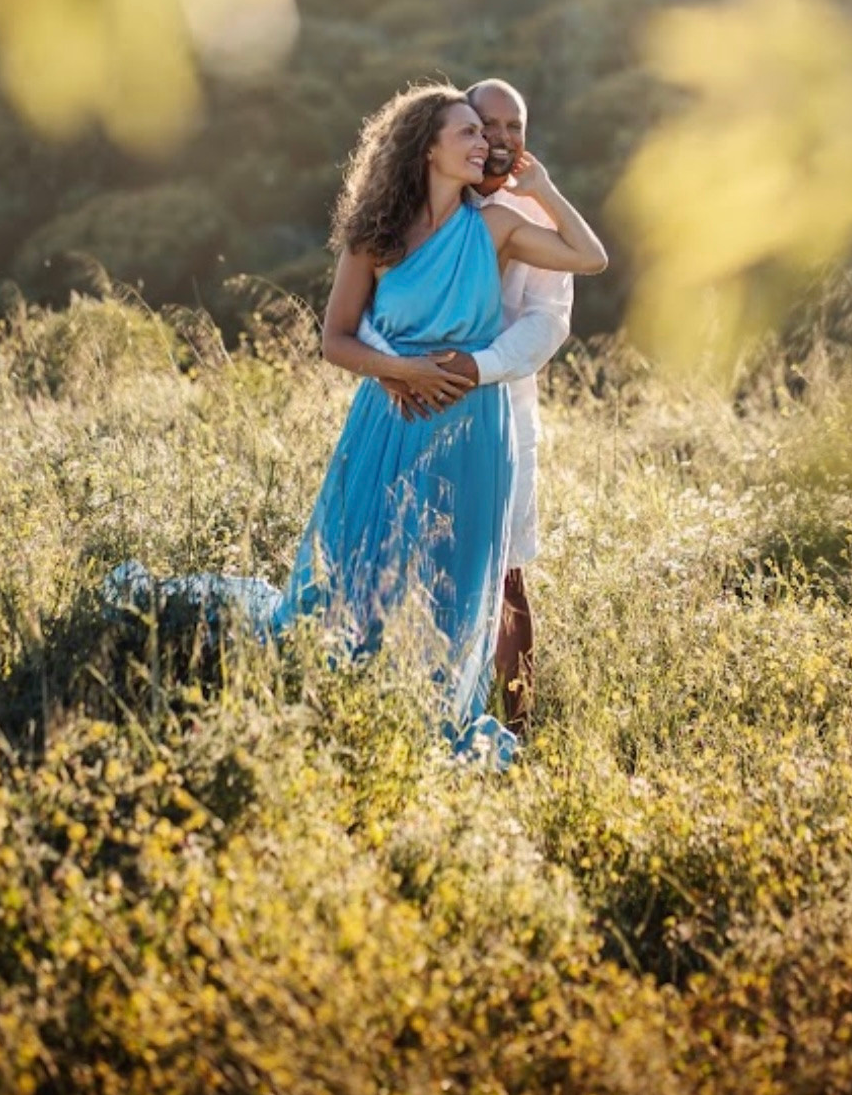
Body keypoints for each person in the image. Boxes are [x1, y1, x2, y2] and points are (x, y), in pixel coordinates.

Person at [105, 84, 606, 764]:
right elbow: (335, 340)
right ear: (427, 147)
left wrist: (542, 186)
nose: (486, 143)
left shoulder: (497, 227)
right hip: (389, 417)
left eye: (492, 131)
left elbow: (589, 258)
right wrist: (402, 373)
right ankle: (335, 689)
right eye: (468, 132)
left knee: (462, 579)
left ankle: (444, 710)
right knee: (354, 563)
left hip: (476, 428)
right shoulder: (374, 237)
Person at [361, 78, 572, 733]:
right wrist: (397, 369)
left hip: (501, 410)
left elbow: (548, 322)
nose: (501, 139)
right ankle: (389, 710)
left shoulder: (534, 217)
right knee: (395, 553)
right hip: (409, 406)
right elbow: (367, 304)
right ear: (460, 133)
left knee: (502, 572)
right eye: (488, 125)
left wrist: (475, 370)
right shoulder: (411, 209)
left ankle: (516, 724)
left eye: (516, 127)